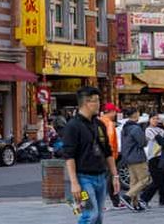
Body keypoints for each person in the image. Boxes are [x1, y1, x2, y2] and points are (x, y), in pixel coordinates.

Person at [62, 86, 121, 224]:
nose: (99, 104)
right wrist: (74, 183)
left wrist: (115, 175)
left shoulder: (99, 124)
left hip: (101, 176)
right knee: (90, 214)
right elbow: (68, 156)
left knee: (99, 216)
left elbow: (108, 151)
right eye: (96, 101)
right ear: (86, 103)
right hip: (83, 179)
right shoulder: (73, 126)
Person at [119, 107, 150, 211]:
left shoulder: (125, 127)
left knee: (134, 181)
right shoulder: (136, 128)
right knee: (145, 180)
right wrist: (146, 139)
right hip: (137, 157)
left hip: (128, 157)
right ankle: (127, 196)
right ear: (136, 114)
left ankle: (135, 203)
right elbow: (142, 143)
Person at [140, 112, 164, 207]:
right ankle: (144, 198)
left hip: (161, 157)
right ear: (149, 120)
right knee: (156, 180)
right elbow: (161, 141)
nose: (156, 121)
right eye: (154, 119)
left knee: (163, 180)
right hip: (153, 157)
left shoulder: (159, 129)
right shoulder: (149, 130)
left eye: (157, 119)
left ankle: (163, 200)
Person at [100, 102, 124, 209]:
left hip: (100, 156)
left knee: (107, 180)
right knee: (106, 180)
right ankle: (99, 204)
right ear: (111, 112)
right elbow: (108, 142)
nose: (115, 114)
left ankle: (115, 201)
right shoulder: (109, 123)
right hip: (108, 156)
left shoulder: (99, 121)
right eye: (115, 112)